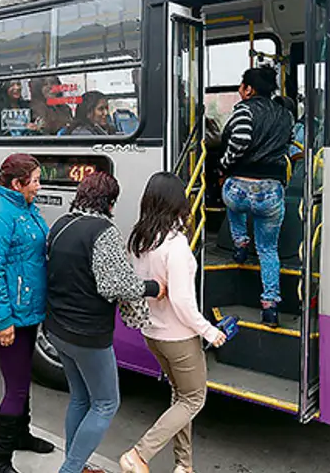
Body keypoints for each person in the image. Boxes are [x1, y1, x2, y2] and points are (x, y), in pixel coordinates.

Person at [45, 172, 164, 473]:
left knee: (81, 398)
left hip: (57, 328)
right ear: (109, 202)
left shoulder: (61, 223)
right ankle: (70, 469)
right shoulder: (103, 231)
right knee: (106, 403)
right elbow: (116, 285)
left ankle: (77, 464)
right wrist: (153, 287)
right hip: (88, 335)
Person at [120, 172, 228, 473]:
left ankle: (183, 465)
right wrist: (209, 331)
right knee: (194, 398)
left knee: (180, 396)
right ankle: (139, 455)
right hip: (178, 337)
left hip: (152, 332)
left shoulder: (139, 239)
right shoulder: (176, 245)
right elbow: (182, 302)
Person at [0, 153, 54, 473]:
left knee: (22, 379)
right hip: (11, 316)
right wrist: (3, 320)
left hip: (27, 311)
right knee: (16, 387)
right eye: (34, 180)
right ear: (18, 184)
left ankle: (21, 434)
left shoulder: (24, 208)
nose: (39, 185)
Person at [219, 67, 293, 327]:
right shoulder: (285, 114)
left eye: (242, 85)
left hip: (239, 187)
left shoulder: (244, 109)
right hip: (270, 192)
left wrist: (224, 164)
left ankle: (239, 245)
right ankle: (270, 306)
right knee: (267, 249)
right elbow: (288, 141)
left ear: (249, 89)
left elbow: (239, 141)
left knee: (233, 202)